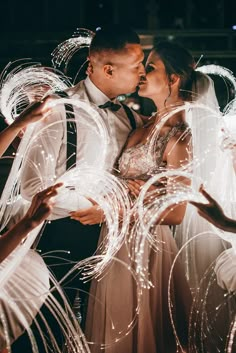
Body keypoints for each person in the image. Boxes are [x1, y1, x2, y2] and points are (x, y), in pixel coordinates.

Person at [17, 24, 145, 342]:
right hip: (59, 239)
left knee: (94, 331)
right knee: (48, 331)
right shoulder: (57, 110)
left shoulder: (133, 119)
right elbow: (33, 187)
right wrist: (92, 207)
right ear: (107, 69)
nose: (142, 73)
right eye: (137, 65)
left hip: (113, 242)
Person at [84, 41, 195, 353]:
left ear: (173, 79)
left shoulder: (180, 138)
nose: (142, 74)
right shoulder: (140, 127)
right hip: (115, 241)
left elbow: (176, 213)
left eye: (151, 68)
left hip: (147, 246)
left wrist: (116, 212)